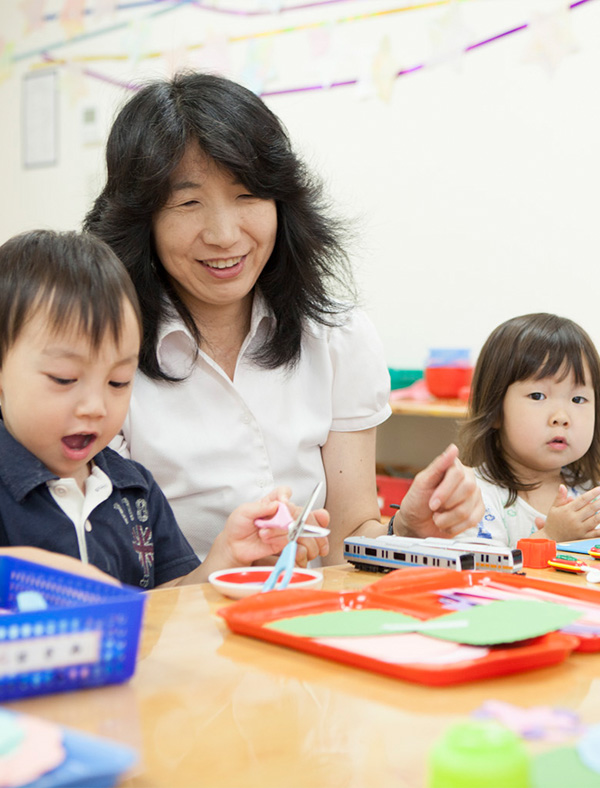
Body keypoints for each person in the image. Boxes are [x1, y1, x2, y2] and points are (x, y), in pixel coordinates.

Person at [84, 70, 484, 564]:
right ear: (141, 219)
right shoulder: (106, 357)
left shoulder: (338, 336)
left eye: (247, 196)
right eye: (188, 202)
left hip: (306, 620)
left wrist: (407, 529)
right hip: (171, 625)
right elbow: (116, 566)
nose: (225, 234)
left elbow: (351, 535)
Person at [0, 228, 328, 588]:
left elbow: (167, 604)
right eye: (64, 379)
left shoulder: (135, 489)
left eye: (118, 382)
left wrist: (225, 557)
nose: (94, 407)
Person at [458, 312, 600, 548]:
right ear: (495, 410)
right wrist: (548, 538)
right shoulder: (475, 496)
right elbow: (480, 575)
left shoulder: (590, 493)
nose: (561, 418)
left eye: (578, 399)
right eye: (538, 396)